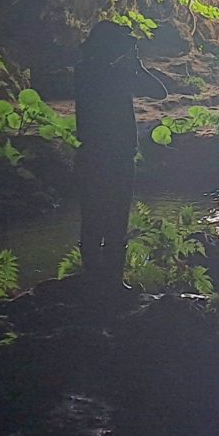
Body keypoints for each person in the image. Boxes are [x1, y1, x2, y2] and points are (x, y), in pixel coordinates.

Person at [74, 20, 168, 292]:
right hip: (108, 157)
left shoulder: (88, 71)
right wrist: (136, 68)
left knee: (96, 219)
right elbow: (158, 91)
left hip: (101, 156)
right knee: (112, 219)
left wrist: (133, 68)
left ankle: (98, 280)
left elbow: (159, 93)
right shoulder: (104, 74)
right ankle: (109, 282)